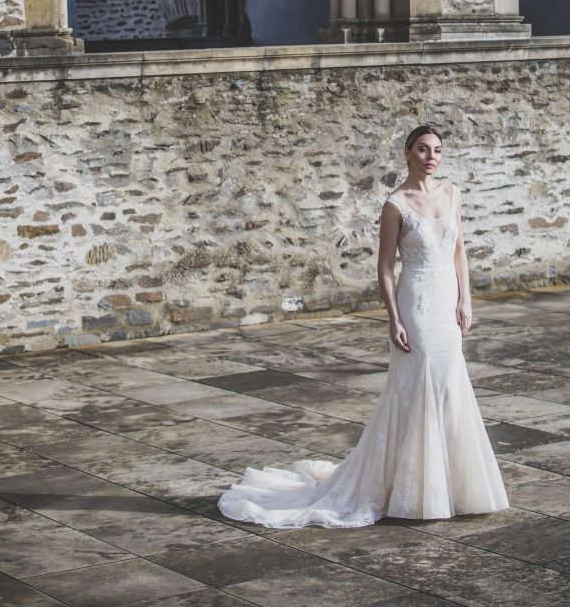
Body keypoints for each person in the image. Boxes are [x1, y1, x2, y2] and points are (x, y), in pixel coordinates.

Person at [218, 124, 509, 528]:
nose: (432, 157)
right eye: (423, 149)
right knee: (419, 384)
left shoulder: (452, 194)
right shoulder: (396, 204)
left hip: (447, 301)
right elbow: (386, 269)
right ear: (408, 153)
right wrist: (394, 318)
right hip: (418, 302)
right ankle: (411, 489)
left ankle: (453, 486)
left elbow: (459, 250)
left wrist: (466, 299)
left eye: (437, 150)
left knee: (449, 385)